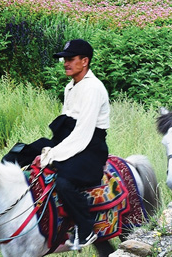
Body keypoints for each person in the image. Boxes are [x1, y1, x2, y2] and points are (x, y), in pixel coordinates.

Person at [13, 39, 109, 247]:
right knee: (20, 153)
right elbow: (67, 127)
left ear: (85, 61)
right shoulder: (70, 87)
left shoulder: (93, 88)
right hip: (69, 140)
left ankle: (85, 228)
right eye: (64, 59)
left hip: (90, 148)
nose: (66, 63)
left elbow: (83, 133)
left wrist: (53, 154)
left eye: (71, 59)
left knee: (64, 182)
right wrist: (47, 148)